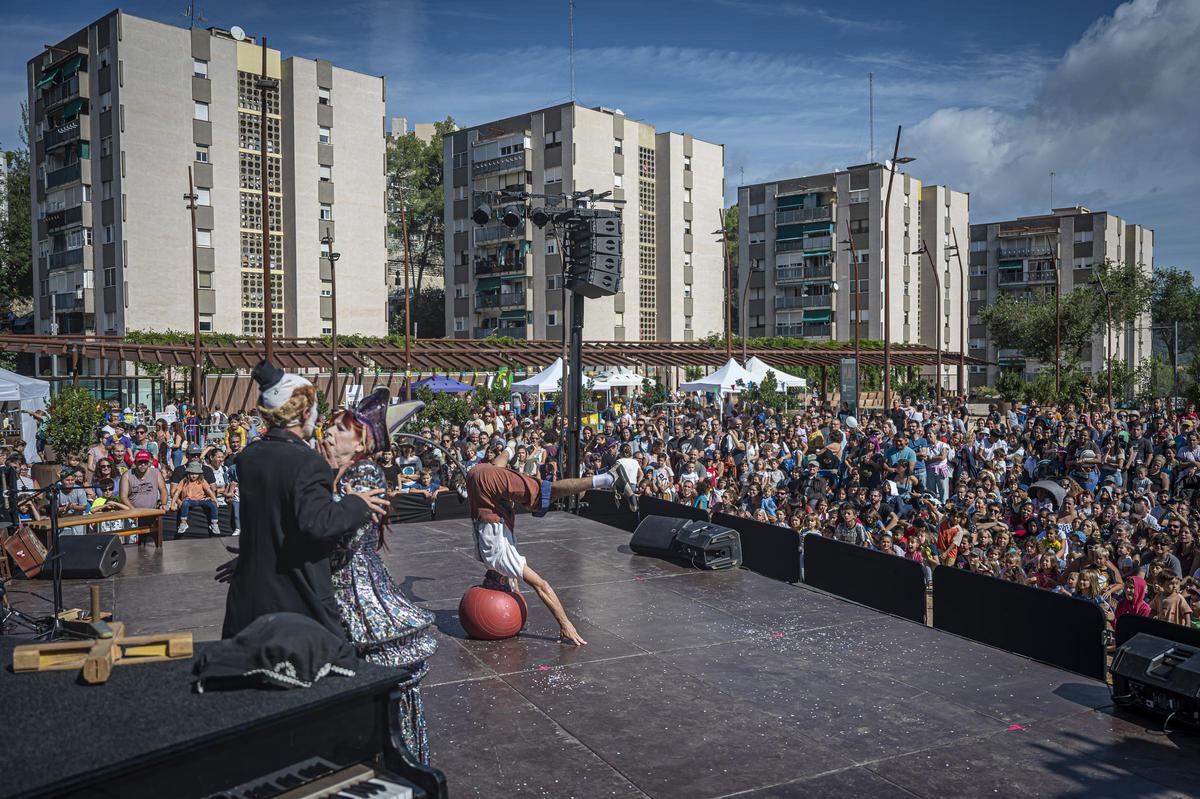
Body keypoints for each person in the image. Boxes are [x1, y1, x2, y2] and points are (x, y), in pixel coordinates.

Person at [220, 360, 390, 640]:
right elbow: (317, 525)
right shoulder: (307, 463)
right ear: (305, 412)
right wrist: (356, 503)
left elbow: (278, 519)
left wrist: (254, 557)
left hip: (247, 603)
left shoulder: (250, 457)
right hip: (296, 604)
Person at [321, 388, 438, 764]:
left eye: (338, 429)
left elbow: (342, 538)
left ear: (360, 443)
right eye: (328, 427)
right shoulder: (336, 475)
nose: (326, 433)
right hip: (338, 589)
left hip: (358, 593)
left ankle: (393, 765)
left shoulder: (365, 471)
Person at [465, 450, 636, 645]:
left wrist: (565, 623)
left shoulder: (501, 561)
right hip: (478, 475)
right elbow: (512, 577)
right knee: (498, 468)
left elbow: (542, 586)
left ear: (503, 577)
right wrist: (513, 586)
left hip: (485, 483)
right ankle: (509, 448)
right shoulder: (485, 558)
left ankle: (608, 478)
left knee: (545, 492)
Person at [171, 461, 221, 536]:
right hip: (190, 500)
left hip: (201, 500)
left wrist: (215, 500)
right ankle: (183, 522)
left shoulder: (202, 481)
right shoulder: (184, 481)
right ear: (188, 473)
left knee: (213, 504)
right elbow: (177, 492)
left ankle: (214, 524)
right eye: (192, 474)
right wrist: (172, 503)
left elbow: (208, 490)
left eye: (196, 474)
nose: (194, 476)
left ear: (199, 474)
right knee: (185, 503)